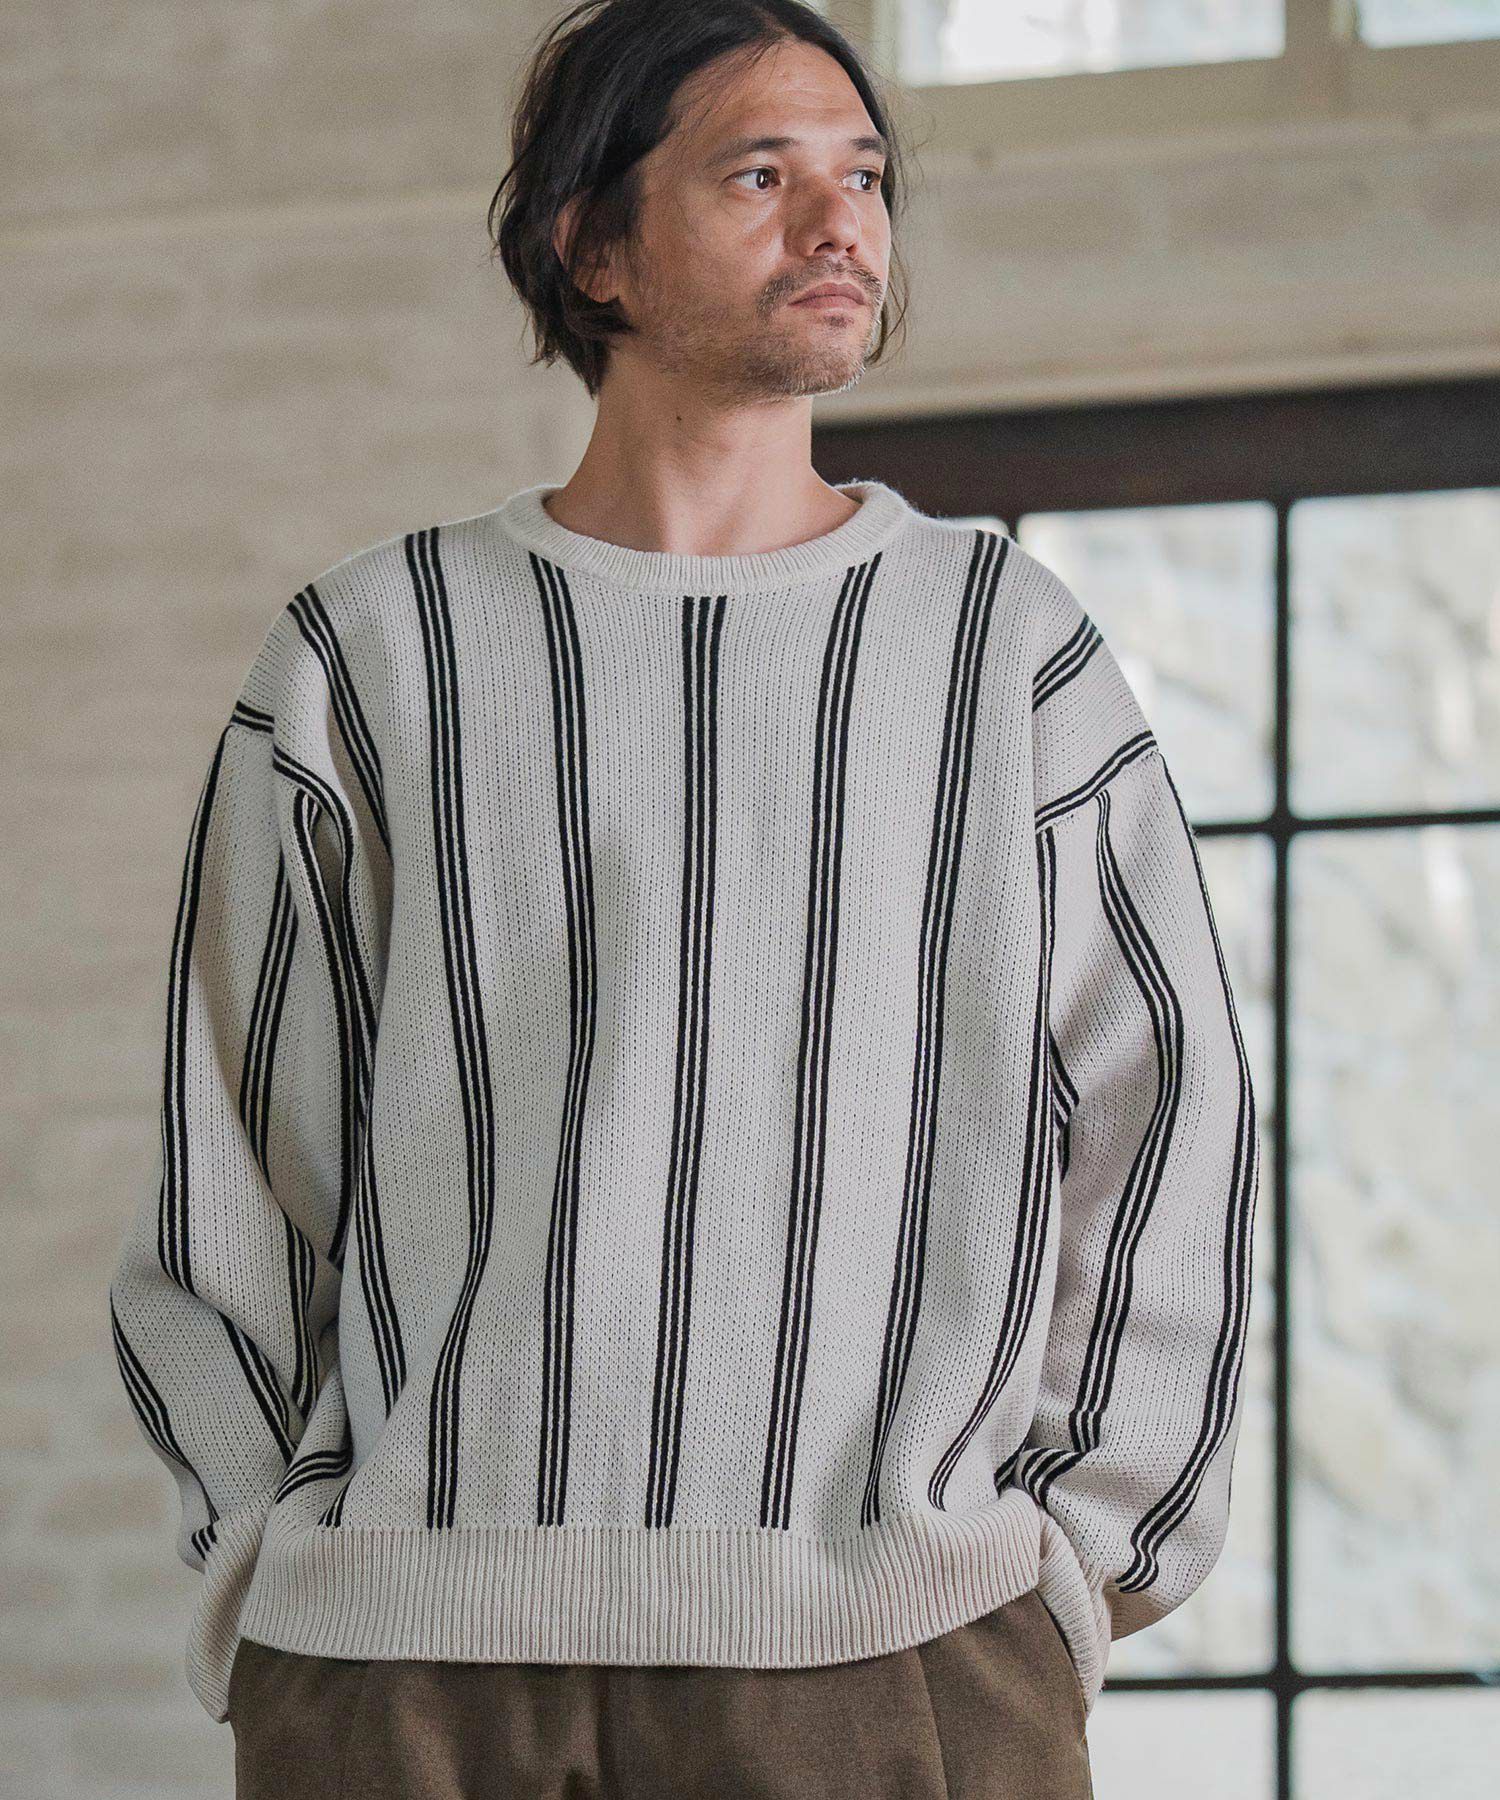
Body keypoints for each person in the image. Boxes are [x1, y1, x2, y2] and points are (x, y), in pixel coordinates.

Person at [106, 2, 1261, 1795]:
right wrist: (269, 1565)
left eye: (864, 176)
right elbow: (237, 1150)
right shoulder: (375, 652)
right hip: (408, 1671)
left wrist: (1074, 1565)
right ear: (593, 245)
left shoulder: (1001, 651)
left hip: (901, 1657)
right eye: (761, 176)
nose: (843, 224)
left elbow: (1165, 1110)